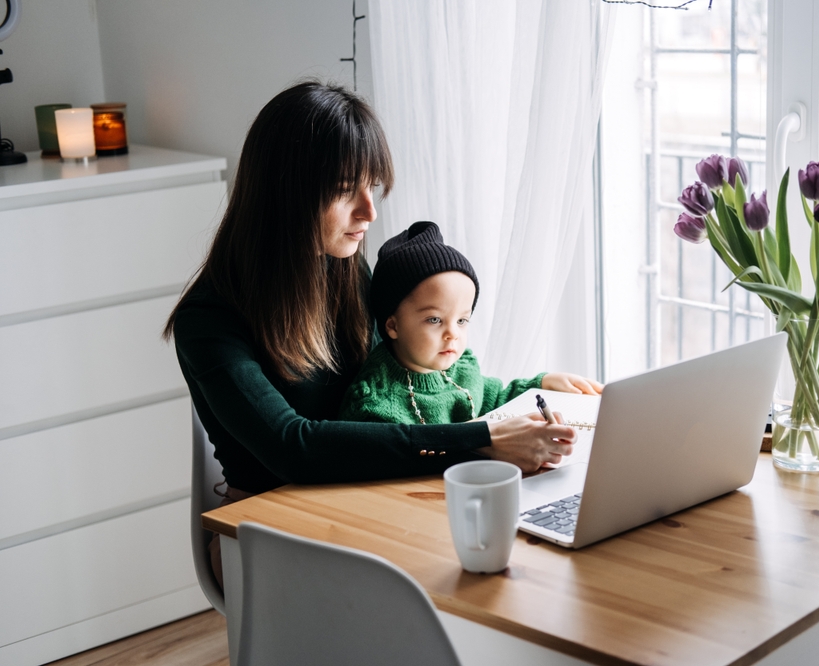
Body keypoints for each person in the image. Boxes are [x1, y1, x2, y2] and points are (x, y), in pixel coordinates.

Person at [162, 81, 577, 588]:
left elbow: (412, 379)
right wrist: (481, 441)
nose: (369, 212)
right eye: (343, 191)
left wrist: (527, 389)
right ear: (284, 193)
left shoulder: (341, 271)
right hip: (265, 530)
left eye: (371, 186)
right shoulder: (209, 318)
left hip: (363, 496)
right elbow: (295, 446)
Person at [339, 221, 601, 425]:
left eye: (463, 320)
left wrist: (542, 383)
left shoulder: (460, 369)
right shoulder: (374, 402)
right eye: (434, 320)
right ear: (393, 326)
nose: (452, 334)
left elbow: (495, 399)